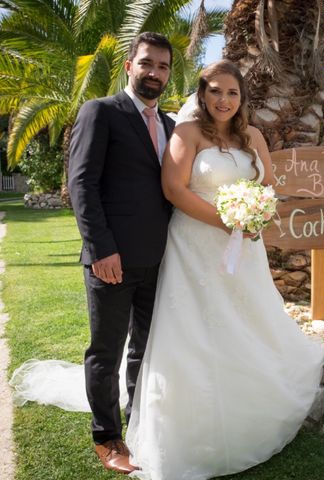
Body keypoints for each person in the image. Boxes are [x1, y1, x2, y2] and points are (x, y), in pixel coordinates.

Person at [125, 60, 324, 479]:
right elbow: (173, 188)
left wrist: (256, 213)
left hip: (243, 247)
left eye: (232, 93)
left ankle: (248, 412)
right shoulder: (188, 132)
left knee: (245, 322)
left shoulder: (252, 136)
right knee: (195, 330)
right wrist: (226, 219)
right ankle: (189, 428)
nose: (224, 100)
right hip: (195, 245)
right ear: (202, 93)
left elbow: (268, 183)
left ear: (242, 98)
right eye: (216, 91)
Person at [67, 32, 175, 474]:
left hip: (160, 260)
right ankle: (107, 437)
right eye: (147, 63)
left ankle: (136, 425)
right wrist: (100, 249)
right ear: (129, 66)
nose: (155, 73)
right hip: (111, 260)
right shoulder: (100, 112)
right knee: (106, 350)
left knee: (145, 350)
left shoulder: (169, 125)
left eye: (163, 66)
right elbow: (82, 184)